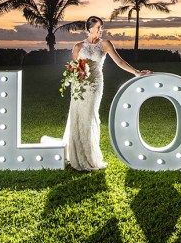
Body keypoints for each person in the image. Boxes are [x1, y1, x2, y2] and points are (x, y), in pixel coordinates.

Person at [54, 16, 152, 171]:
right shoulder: (78, 46)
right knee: (78, 117)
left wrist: (136, 72)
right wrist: (77, 74)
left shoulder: (105, 44)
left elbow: (119, 61)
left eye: (102, 27)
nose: (101, 30)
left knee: (90, 116)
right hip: (79, 86)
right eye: (98, 27)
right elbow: (74, 68)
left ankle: (90, 157)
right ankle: (77, 155)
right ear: (89, 28)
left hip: (95, 85)